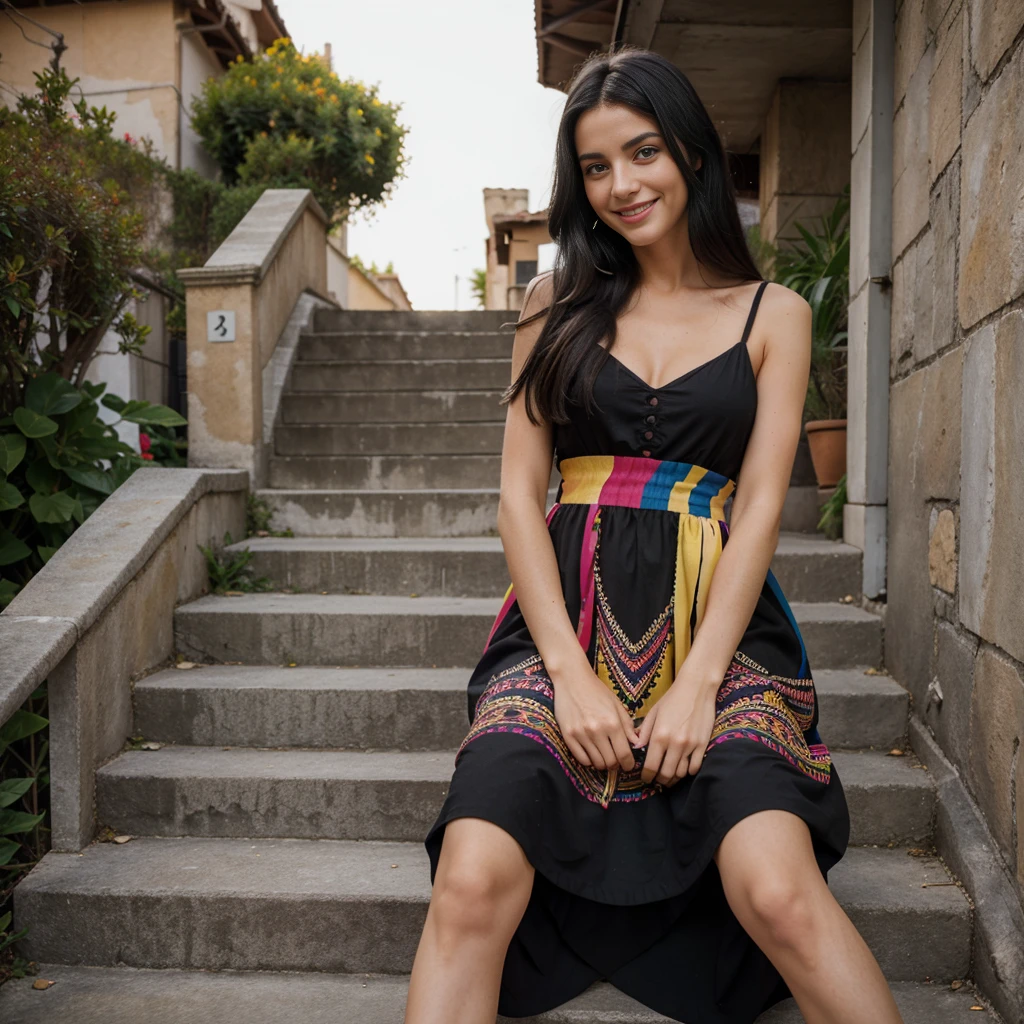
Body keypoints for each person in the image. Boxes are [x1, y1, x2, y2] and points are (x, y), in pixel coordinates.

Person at [405, 46, 904, 1024]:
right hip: (561, 633)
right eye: (595, 167)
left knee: (776, 890)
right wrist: (568, 672)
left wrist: (701, 685)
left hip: (722, 640)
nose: (621, 184)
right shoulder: (552, 306)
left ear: (692, 154)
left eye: (642, 153)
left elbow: (758, 503)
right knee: (467, 883)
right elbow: (517, 493)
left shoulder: (775, 314)